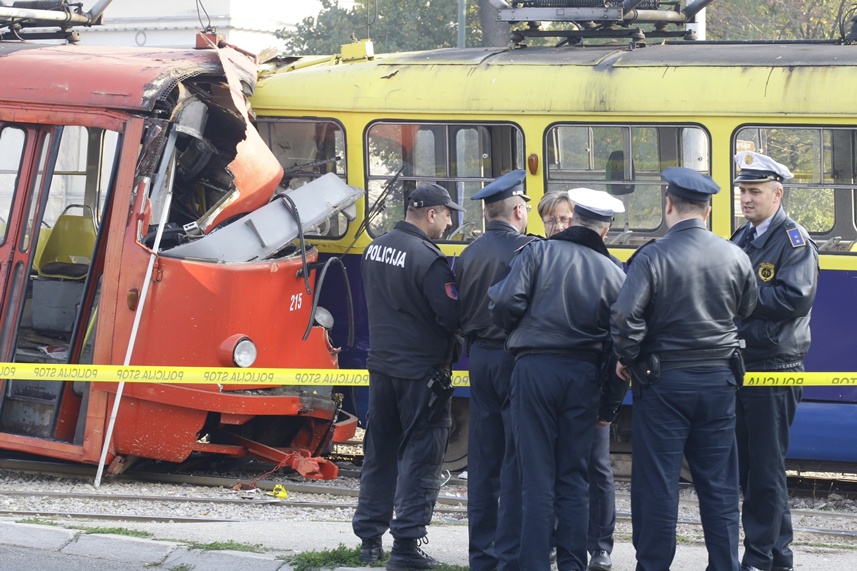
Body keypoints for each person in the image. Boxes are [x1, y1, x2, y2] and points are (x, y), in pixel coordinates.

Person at [611, 167, 758, 571]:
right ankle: (725, 564)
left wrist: (629, 356)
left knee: (657, 483)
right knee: (720, 484)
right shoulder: (735, 254)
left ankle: (654, 565)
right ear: (708, 211)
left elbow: (625, 315)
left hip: (664, 383)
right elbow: (747, 308)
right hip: (719, 381)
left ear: (669, 205)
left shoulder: (653, 256)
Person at [489, 189, 626, 571]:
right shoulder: (615, 272)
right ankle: (572, 564)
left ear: (575, 220)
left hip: (534, 369)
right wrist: (609, 405)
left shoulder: (537, 253)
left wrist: (520, 328)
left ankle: (533, 563)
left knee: (536, 477)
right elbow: (621, 345)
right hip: (584, 375)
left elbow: (502, 303)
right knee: (574, 477)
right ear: (605, 231)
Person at [352, 183, 464, 571]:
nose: (450, 221)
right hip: (422, 375)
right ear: (430, 214)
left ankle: (369, 540)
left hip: (382, 368)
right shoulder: (428, 259)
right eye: (447, 213)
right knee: (421, 457)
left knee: (379, 453)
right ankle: (406, 546)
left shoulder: (375, 248)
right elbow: (451, 316)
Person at [730, 152, 819, 571]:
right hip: (746, 363)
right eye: (742, 191)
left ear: (777, 193)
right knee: (755, 470)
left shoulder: (793, 241)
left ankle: (759, 557)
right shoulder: (743, 237)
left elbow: (793, 298)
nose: (745, 199)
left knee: (764, 471)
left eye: (754, 191)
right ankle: (779, 556)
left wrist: (737, 299)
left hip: (773, 367)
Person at [455, 169, 534, 571]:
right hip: (515, 358)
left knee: (483, 461)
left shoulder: (466, 255)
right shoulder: (528, 251)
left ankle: (480, 556)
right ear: (518, 210)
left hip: (478, 360)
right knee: (517, 457)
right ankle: (511, 553)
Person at [539, 189, 619, 571]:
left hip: (591, 380)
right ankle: (558, 540)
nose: (558, 225)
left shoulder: (609, 264)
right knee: (554, 465)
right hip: (557, 382)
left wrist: (610, 399)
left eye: (565, 218)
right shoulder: (538, 259)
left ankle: (600, 544)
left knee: (595, 465)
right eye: (551, 219)